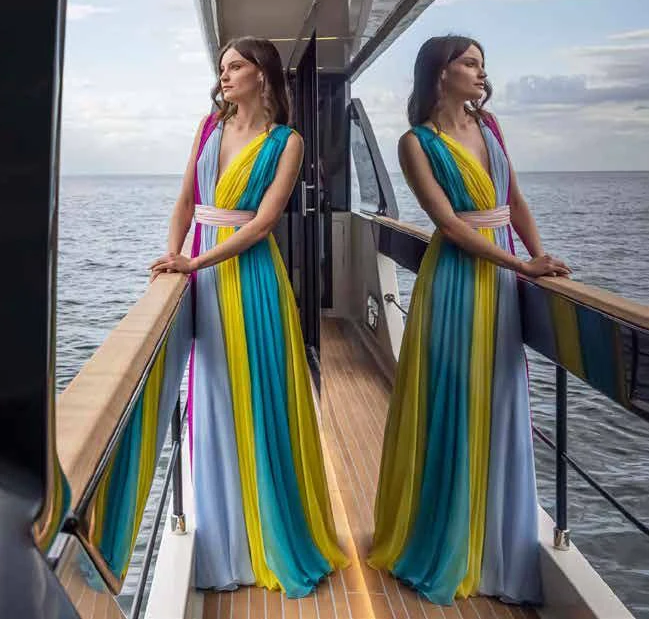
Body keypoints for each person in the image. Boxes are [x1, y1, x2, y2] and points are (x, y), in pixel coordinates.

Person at [368, 35, 570, 605]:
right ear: (440, 73)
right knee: (455, 402)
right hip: (457, 281)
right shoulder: (415, 143)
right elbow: (449, 224)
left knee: (501, 401)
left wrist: (539, 256)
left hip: (505, 274)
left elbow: (515, 199)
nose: (482, 73)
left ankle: (495, 540)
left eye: (482, 63)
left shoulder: (492, 127)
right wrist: (521, 264)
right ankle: (447, 541)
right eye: (471, 63)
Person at [150, 36, 347, 596]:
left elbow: (262, 223)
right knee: (212, 394)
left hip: (252, 277)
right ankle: (222, 530)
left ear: (263, 75)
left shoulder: (287, 141)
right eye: (222, 66)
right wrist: (174, 254)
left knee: (259, 398)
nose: (224, 74)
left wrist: (196, 260)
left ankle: (266, 531)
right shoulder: (209, 128)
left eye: (235, 66)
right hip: (202, 268)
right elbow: (186, 200)